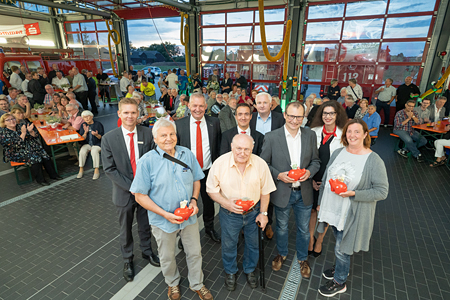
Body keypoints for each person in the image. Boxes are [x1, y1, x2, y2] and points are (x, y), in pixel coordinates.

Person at [130, 118, 213, 300]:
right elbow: (139, 196)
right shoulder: (147, 161)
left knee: (194, 252)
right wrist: (165, 214)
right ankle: (172, 283)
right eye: (163, 135)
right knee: (167, 256)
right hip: (162, 220)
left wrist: (193, 200)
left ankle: (197, 283)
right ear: (155, 138)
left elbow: (196, 179)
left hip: (189, 217)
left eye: (172, 134)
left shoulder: (187, 154)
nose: (169, 138)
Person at [317, 119, 389, 297]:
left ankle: (340, 281)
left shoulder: (373, 160)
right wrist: (320, 202)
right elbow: (326, 178)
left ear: (365, 134)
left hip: (350, 213)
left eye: (357, 132)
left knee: (342, 247)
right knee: (338, 242)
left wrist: (354, 194)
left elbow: (382, 191)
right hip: (332, 208)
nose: (352, 135)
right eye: (349, 132)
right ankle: (342, 266)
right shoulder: (339, 152)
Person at [101, 98, 160, 283]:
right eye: (126, 112)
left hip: (145, 192)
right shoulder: (109, 138)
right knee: (125, 228)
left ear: (138, 114)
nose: (130, 116)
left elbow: (154, 162)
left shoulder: (148, 134)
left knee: (144, 224)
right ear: (119, 114)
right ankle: (127, 260)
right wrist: (134, 188)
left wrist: (144, 187)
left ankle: (147, 252)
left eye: (133, 112)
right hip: (124, 193)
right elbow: (109, 169)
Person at [207, 134, 276, 291]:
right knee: (229, 244)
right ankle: (230, 271)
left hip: (253, 213)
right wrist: (226, 203)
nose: (242, 153)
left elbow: (265, 192)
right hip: (229, 214)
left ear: (252, 149)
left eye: (247, 149)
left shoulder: (260, 164)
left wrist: (263, 214)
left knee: (253, 244)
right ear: (232, 147)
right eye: (238, 148)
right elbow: (211, 190)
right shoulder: (220, 163)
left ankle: (250, 269)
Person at [260, 101, 320, 279]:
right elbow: (264, 164)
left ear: (303, 118)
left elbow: (316, 161)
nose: (295, 120)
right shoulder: (271, 137)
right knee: (282, 227)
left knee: (303, 229)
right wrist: (279, 175)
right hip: (282, 191)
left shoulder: (310, 135)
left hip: (304, 191)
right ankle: (282, 253)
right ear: (285, 115)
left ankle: (302, 258)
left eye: (299, 117)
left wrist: (309, 172)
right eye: (291, 116)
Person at [175, 93, 222, 244]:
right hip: (186, 173)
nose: (198, 109)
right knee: (185, 203)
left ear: (206, 106)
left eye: (201, 106)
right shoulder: (179, 125)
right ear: (188, 105)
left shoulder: (214, 123)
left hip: (208, 170)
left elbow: (218, 145)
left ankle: (209, 228)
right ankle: (183, 235)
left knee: (209, 203)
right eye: (194, 105)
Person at [308, 101, 347, 258]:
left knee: (325, 213)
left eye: (332, 113)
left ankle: (320, 240)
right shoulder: (313, 132)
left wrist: (328, 183)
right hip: (312, 178)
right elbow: (307, 157)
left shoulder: (344, 135)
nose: (328, 116)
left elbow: (344, 163)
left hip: (331, 182)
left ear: (337, 115)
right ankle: (311, 239)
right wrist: (310, 178)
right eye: (325, 113)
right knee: (312, 211)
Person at [0, 113, 61, 186]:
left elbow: (34, 137)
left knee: (44, 155)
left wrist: (31, 132)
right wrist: (24, 132)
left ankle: (53, 175)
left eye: (13, 119)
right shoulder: (3, 133)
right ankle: (40, 179)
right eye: (8, 120)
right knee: (35, 158)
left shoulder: (20, 126)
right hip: (16, 152)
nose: (12, 121)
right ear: (4, 123)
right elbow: (17, 145)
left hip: (29, 147)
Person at [78, 111, 104, 180]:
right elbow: (82, 139)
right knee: (82, 151)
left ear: (92, 116)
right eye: (84, 117)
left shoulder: (98, 124)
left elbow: (102, 137)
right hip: (87, 144)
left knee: (94, 151)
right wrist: (85, 133)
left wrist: (96, 135)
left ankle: (96, 170)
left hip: (97, 144)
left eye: (88, 116)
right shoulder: (83, 125)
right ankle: (81, 169)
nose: (86, 118)